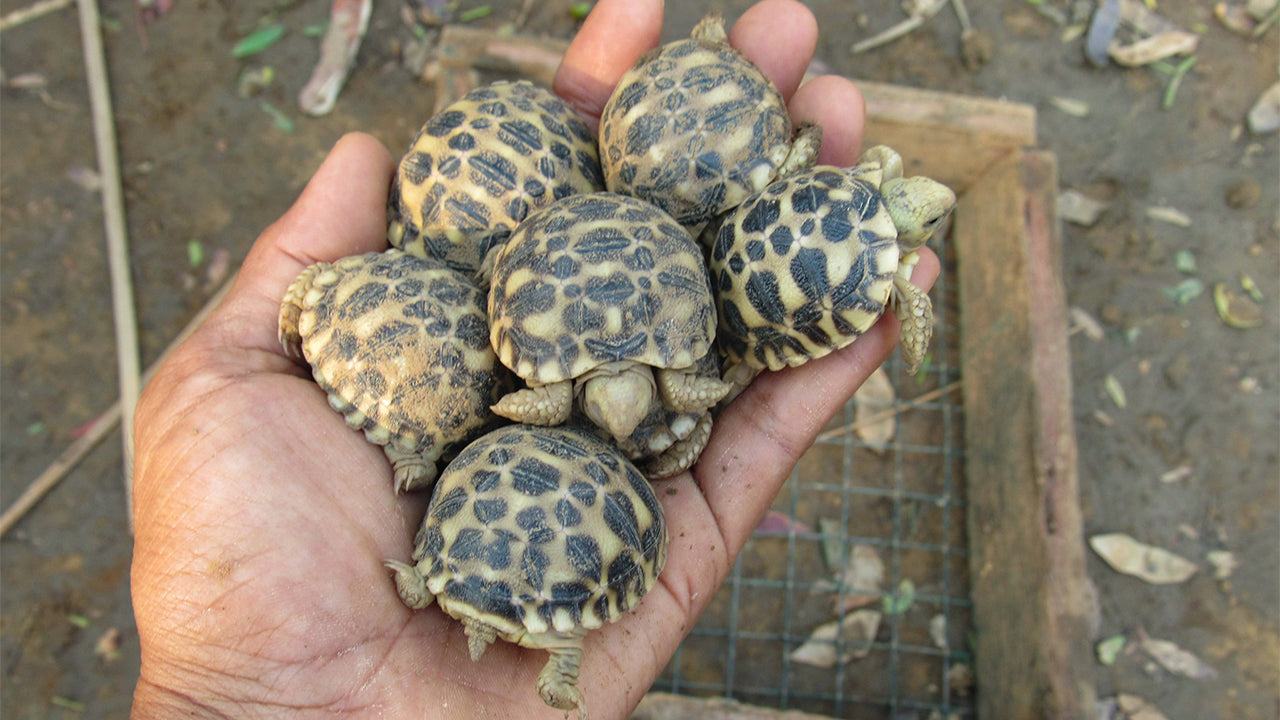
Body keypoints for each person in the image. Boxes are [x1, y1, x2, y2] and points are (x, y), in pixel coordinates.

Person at [129, 0, 940, 717]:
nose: (623, 428)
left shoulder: (586, 385)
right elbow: (641, 389)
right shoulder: (577, 388)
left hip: (601, 287)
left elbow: (647, 388)